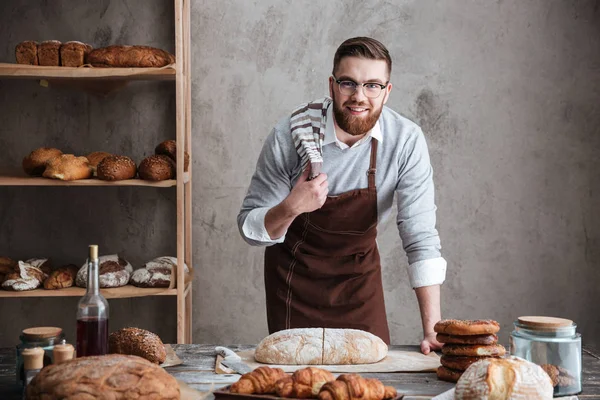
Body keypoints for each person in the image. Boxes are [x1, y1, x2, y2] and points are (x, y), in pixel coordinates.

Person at [237, 37, 446, 354]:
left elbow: (420, 236)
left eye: (373, 85)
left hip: (359, 284)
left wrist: (433, 330)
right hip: (295, 281)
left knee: (369, 384)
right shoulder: (292, 134)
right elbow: (249, 228)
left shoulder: (405, 141)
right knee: (298, 386)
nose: (359, 97)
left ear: (387, 92)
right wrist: (291, 206)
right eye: (349, 83)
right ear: (332, 85)